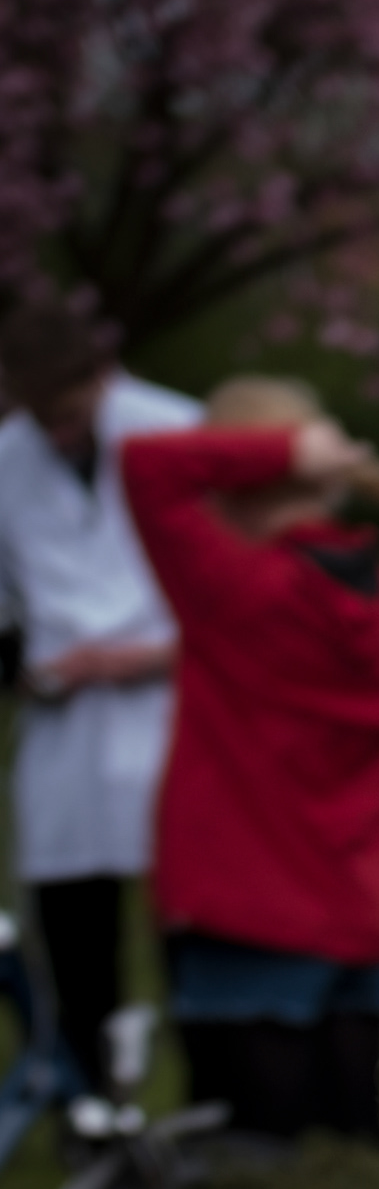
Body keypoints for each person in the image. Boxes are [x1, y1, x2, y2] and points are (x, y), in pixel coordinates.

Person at [122, 376, 379, 1142]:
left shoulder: (231, 586)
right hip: (364, 903)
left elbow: (145, 465)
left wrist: (286, 451)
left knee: (249, 1154)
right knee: (351, 1145)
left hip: (242, 903)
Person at [0, 300, 200, 1092]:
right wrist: (29, 670)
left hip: (176, 698)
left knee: (193, 916)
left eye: (71, 415)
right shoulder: (6, 459)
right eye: (40, 418)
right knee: (74, 918)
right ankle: (90, 1093)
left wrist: (154, 654)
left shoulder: (177, 429)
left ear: (102, 377)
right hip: (63, 718)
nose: (58, 435)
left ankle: (216, 1090)